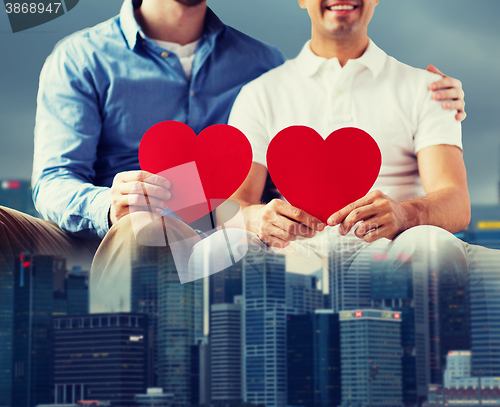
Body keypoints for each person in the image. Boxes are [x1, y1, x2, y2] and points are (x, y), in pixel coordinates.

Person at [0, 0, 466, 299]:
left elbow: (300, 154)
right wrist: (105, 203)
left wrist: (433, 96)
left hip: (213, 240)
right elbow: (53, 182)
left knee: (148, 228)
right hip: (95, 231)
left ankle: (108, 362)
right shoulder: (80, 57)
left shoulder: (261, 66)